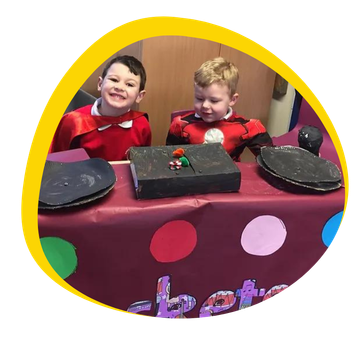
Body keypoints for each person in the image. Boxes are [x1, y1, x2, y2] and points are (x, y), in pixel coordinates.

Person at [166, 57, 273, 161]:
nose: (205, 105)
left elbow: (272, 160)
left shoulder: (249, 128)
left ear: (232, 99)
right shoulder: (180, 125)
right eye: (199, 98)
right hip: (193, 176)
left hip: (230, 177)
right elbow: (172, 159)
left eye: (214, 101)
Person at [49, 55, 151, 161]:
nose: (119, 87)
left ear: (139, 96)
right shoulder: (74, 122)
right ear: (100, 84)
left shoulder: (142, 125)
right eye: (114, 80)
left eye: (129, 84)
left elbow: (142, 166)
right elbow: (57, 164)